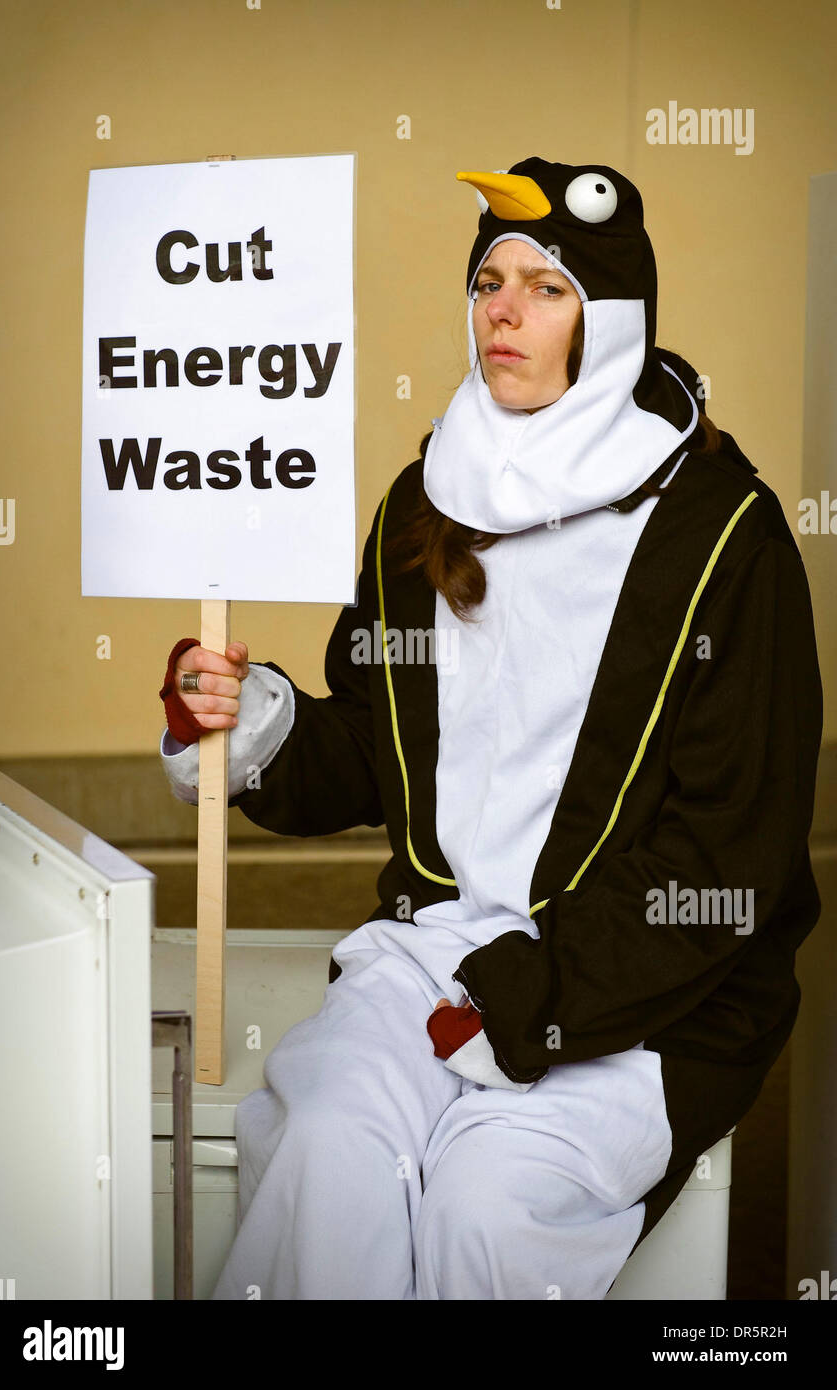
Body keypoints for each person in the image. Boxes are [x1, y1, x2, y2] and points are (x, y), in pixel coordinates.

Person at [158, 157, 823, 1300]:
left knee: (484, 1204)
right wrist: (246, 719)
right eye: (487, 281)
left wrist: (533, 999)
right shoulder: (427, 498)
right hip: (435, 948)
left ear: (608, 321)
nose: (503, 310)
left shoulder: (726, 539)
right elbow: (379, 748)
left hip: (649, 993)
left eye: (545, 286)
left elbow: (729, 867)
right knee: (328, 1155)